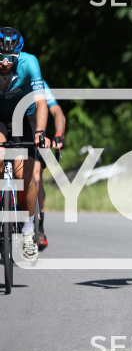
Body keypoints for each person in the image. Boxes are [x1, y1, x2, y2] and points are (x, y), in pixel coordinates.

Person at [0, 26, 50, 260]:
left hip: (25, 115)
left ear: (18, 56)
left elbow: (41, 103)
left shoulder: (30, 63)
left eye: (10, 58)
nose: (4, 62)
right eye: (0, 56)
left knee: (26, 175)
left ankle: (29, 232)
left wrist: (40, 132)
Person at [33, 81, 66, 250]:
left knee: (36, 177)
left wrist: (59, 134)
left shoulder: (37, 82)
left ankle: (39, 227)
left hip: (33, 131)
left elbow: (57, 112)